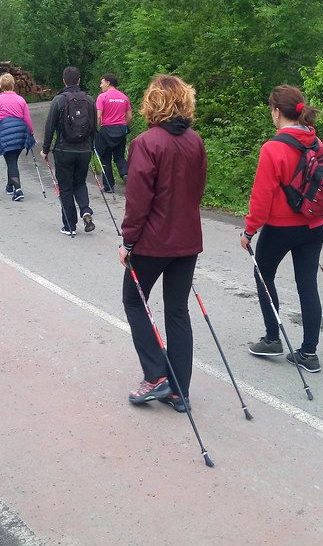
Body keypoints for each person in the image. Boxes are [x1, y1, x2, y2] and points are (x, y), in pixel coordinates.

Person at [119, 74, 207, 413]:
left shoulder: (146, 143)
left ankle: (156, 374)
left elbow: (137, 199)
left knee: (133, 299)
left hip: (153, 242)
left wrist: (128, 242)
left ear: (153, 102)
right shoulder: (195, 141)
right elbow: (197, 190)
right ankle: (179, 390)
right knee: (178, 310)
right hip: (187, 239)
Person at [241, 85, 323, 373]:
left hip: (280, 228)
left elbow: (261, 196)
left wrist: (249, 231)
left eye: (271, 110)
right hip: (314, 225)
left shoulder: (273, 148)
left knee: (264, 275)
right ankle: (309, 353)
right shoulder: (316, 142)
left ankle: (272, 339)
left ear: (277, 112)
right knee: (308, 286)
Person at [42, 66, 97, 235]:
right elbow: (94, 127)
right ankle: (85, 210)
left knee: (65, 187)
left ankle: (69, 225)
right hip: (84, 150)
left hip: (64, 150)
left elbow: (50, 127)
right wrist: (91, 147)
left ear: (64, 81)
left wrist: (45, 149)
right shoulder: (89, 100)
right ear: (79, 80)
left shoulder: (59, 100)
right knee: (80, 182)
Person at [0, 72, 35, 201]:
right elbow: (27, 119)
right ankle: (10, 186)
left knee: (11, 161)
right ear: (13, 85)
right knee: (12, 159)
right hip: (20, 133)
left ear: (1, 86)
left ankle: (18, 189)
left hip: (6, 132)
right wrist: (31, 133)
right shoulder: (21, 100)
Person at [95, 73, 132, 192]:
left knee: (105, 158)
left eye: (102, 82)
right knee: (120, 156)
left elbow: (99, 116)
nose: (100, 85)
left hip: (106, 130)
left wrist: (96, 128)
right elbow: (129, 117)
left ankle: (108, 186)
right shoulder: (124, 97)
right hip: (120, 130)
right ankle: (125, 173)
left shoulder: (102, 97)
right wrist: (124, 127)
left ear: (108, 83)